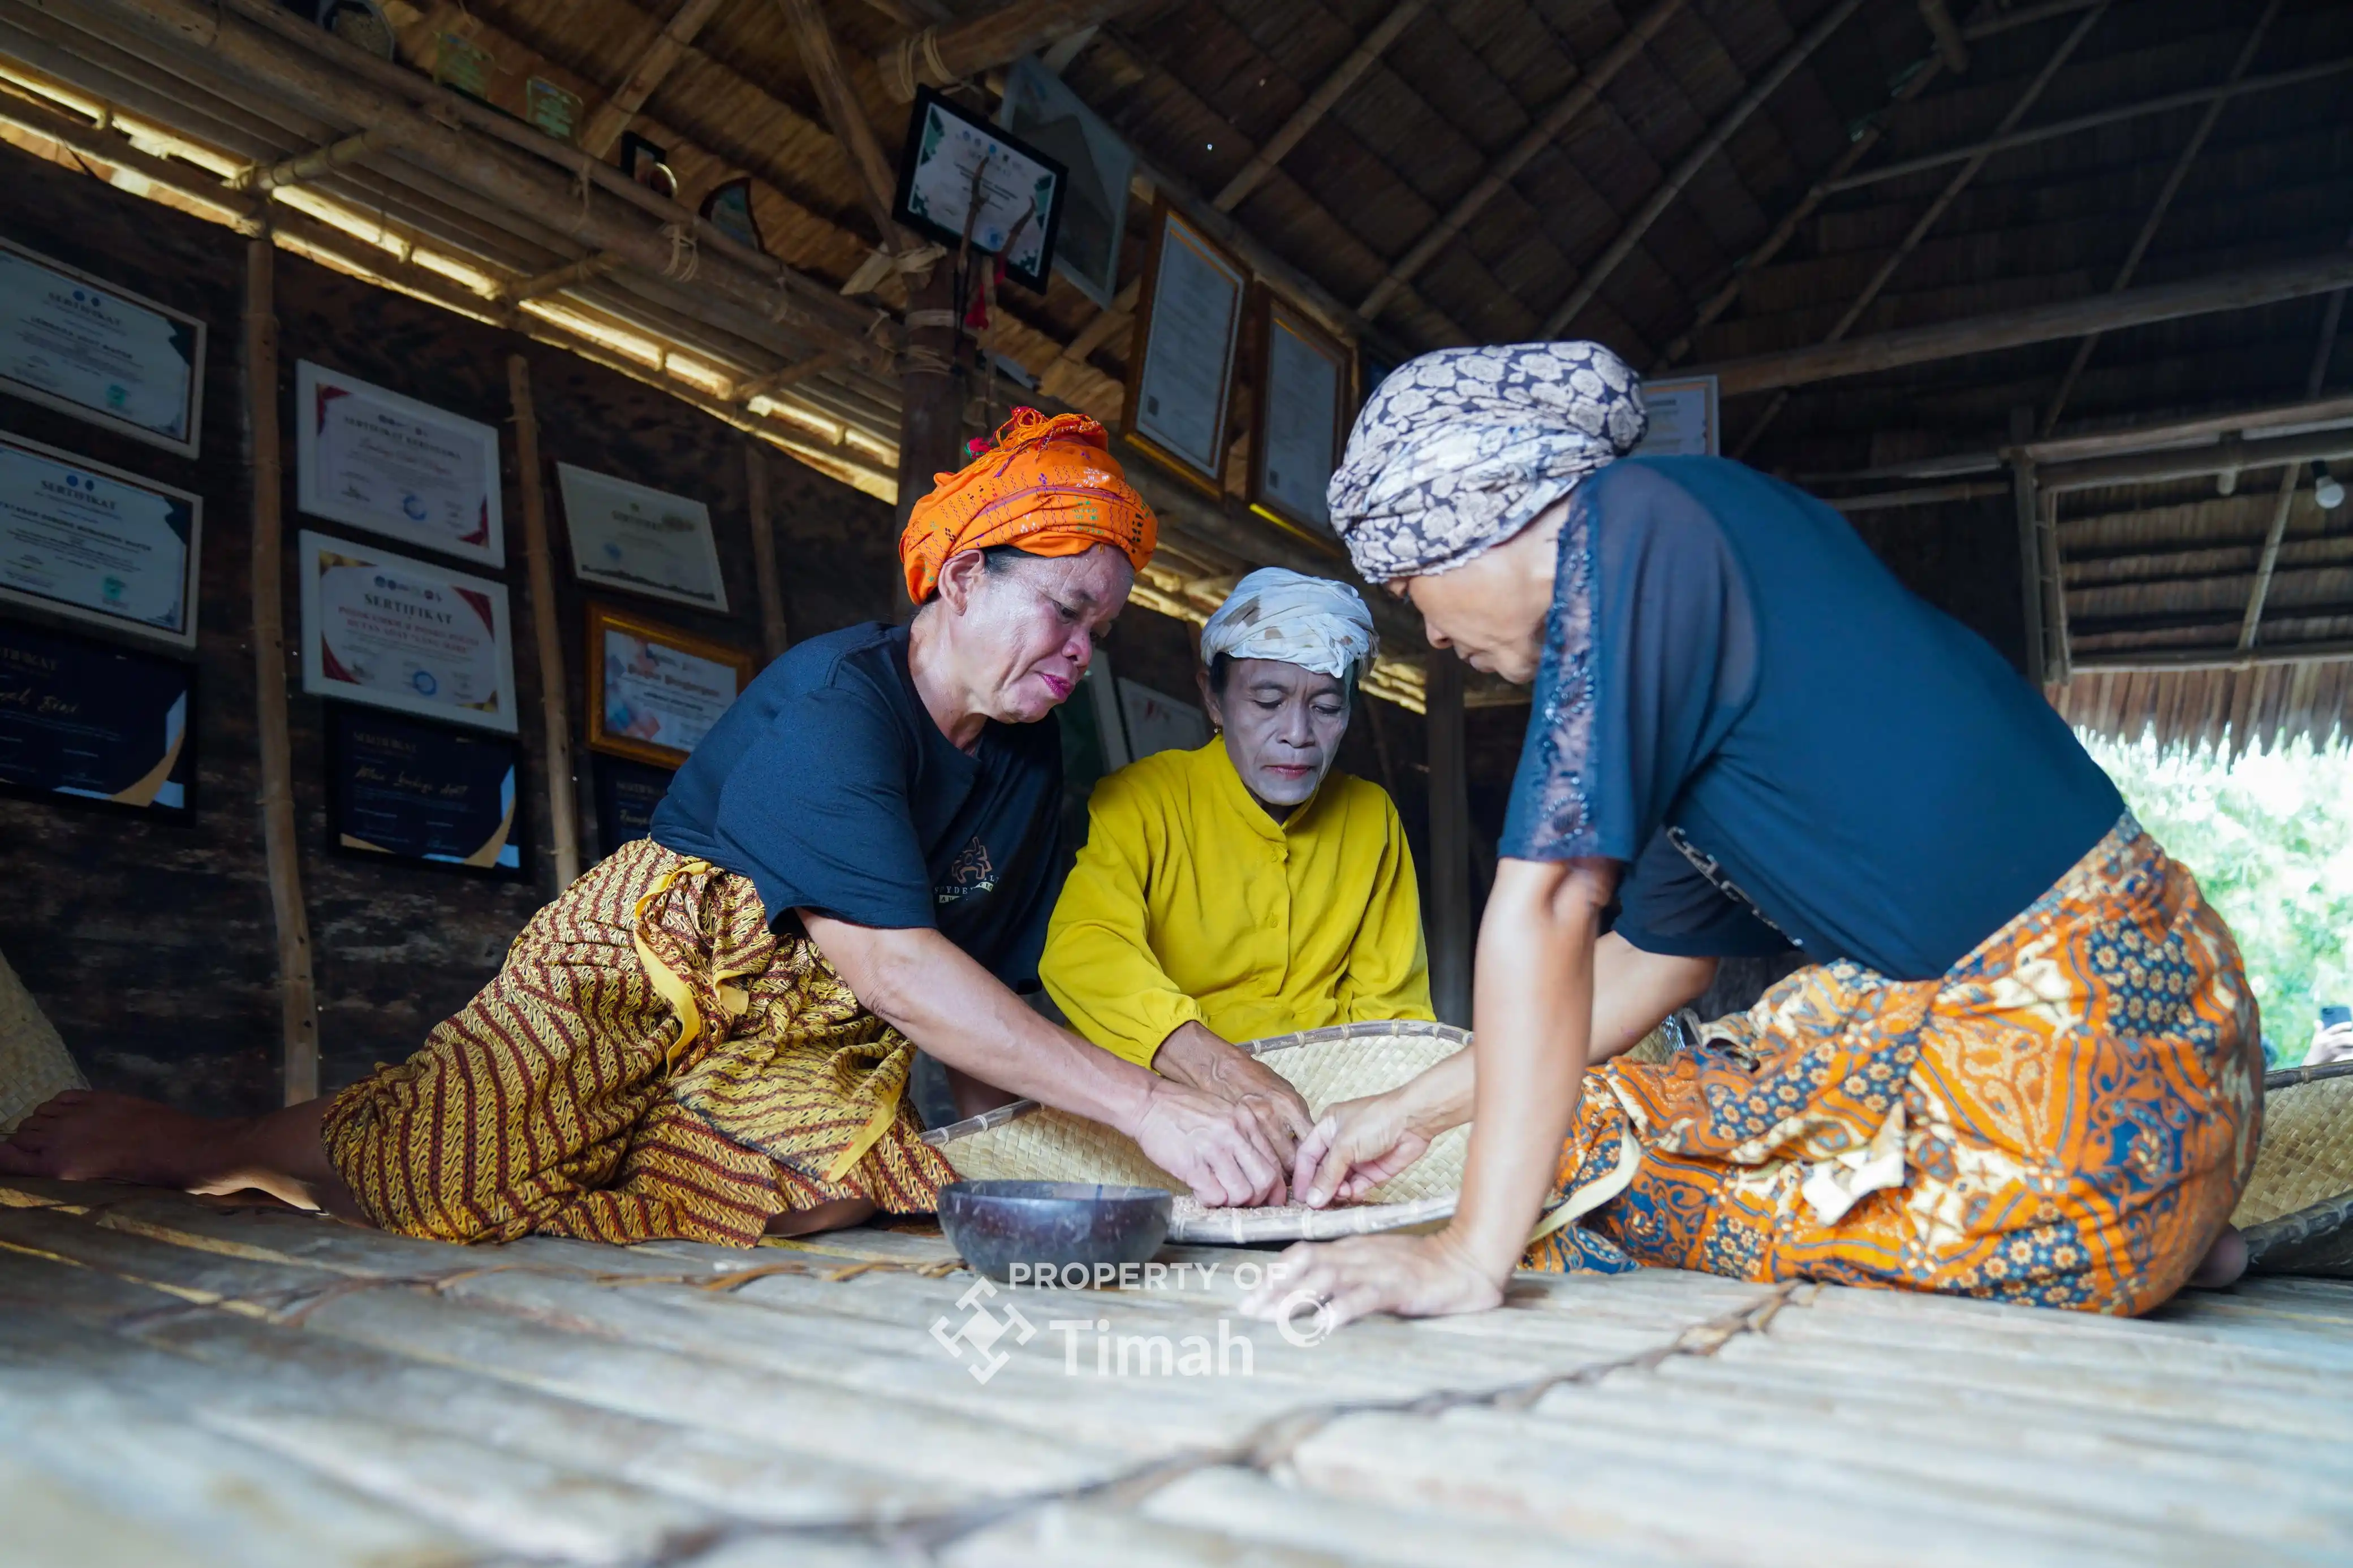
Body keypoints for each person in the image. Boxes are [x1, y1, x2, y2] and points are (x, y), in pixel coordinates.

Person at [0, 409, 1292, 1242]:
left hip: (814, 1018)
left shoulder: (1027, 767)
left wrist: (1024, 1157)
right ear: (960, 579)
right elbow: (900, 967)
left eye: (1102, 631)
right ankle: (205, 1144)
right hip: (649, 960)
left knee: (821, 1184)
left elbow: (982, 1001)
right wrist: (1151, 1111)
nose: (1080, 653)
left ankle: (607, 1149)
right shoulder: (833, 705)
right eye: (1063, 611)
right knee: (437, 1173)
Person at [1241, 343, 2260, 1328]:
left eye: (1412, 588)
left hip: (2073, 1076)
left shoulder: (1634, 531)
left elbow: (1546, 905)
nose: (1434, 636)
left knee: (1587, 1173)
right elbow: (1650, 964)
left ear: (1477, 519)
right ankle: (2165, 1208)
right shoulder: (1701, 563)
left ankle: (2111, 1222)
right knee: (1605, 1107)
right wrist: (1411, 1110)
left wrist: (1469, 1252)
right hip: (2170, 1055)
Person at [1041, 568, 1434, 1166]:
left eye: (1327, 706)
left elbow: (1391, 1013)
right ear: (1211, 697)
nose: (1297, 735)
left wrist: (1370, 1129)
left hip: (1324, 1120)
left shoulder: (1370, 818)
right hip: (1174, 1113)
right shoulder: (1147, 799)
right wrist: (1216, 1067)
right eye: (1268, 701)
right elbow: (1084, 948)